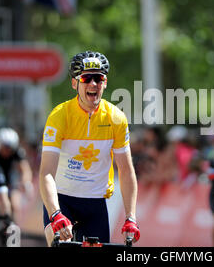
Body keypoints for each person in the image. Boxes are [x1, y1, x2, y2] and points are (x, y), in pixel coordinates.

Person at [39, 50, 140, 246]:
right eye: (86, 78)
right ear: (75, 83)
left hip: (95, 201)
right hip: (62, 199)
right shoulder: (59, 116)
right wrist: (55, 212)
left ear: (105, 83)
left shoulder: (116, 118)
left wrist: (131, 217)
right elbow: (46, 172)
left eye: (98, 78)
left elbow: (126, 170)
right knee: (56, 241)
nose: (93, 84)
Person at [0, 127, 34, 222]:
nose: (7, 150)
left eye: (10, 148)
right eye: (5, 147)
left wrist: (26, 183)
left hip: (11, 181)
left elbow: (25, 170)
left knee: (15, 204)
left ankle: (13, 228)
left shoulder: (17, 153)